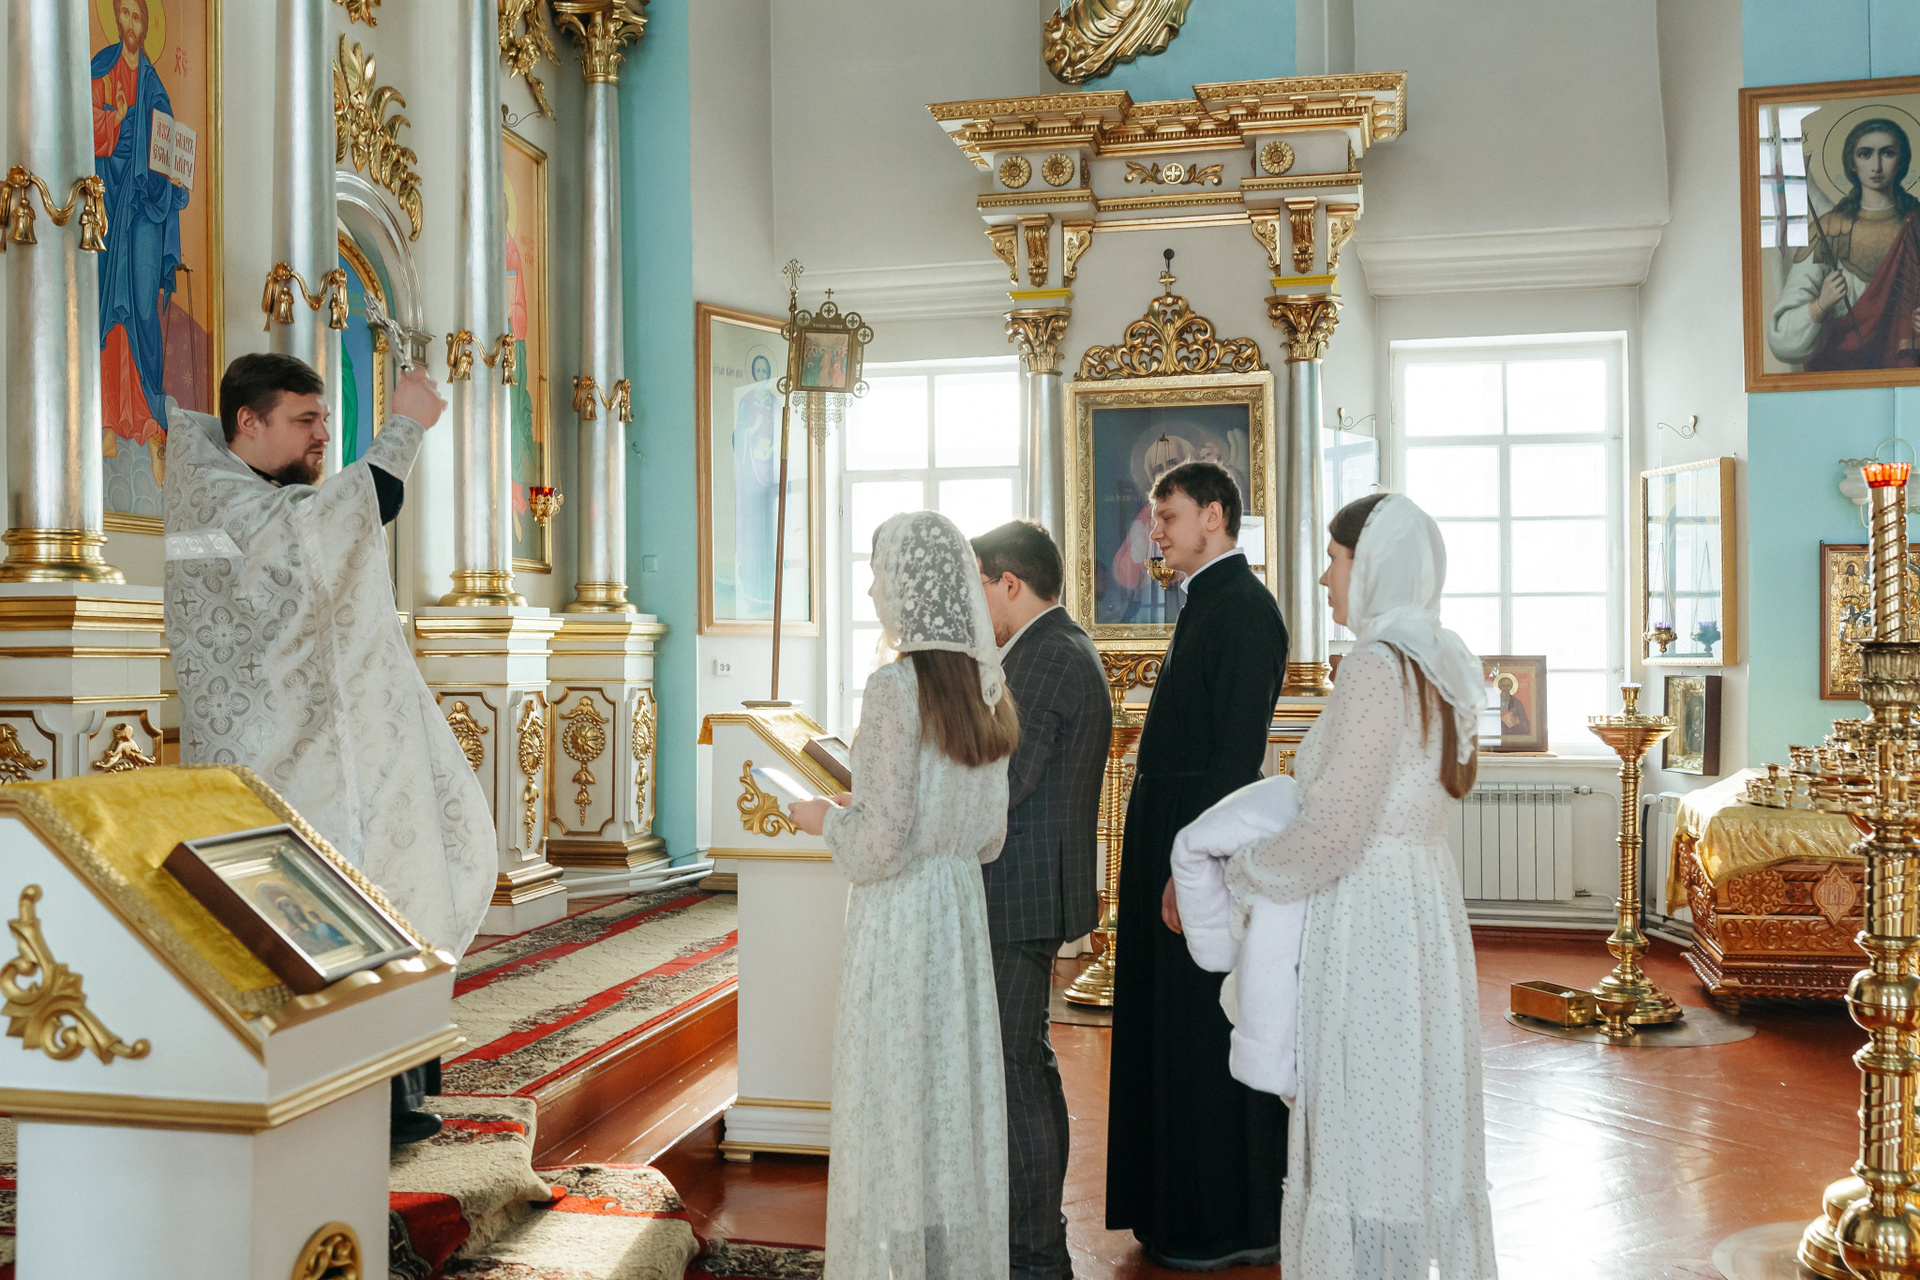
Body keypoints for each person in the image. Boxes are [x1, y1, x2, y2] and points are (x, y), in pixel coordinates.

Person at [164, 352, 496, 1143]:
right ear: (249, 422)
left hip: (323, 745)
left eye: (323, 419)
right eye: (305, 420)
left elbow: (324, 537)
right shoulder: (217, 495)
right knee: (324, 917)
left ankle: (391, 1092)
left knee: (382, 898)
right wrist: (405, 424)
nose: (321, 436)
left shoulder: (253, 492)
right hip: (272, 758)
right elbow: (320, 534)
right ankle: (343, 1100)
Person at [1214, 491, 1497, 1278]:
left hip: (1369, 913)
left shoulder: (1377, 666)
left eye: (1335, 560)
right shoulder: (1440, 659)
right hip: (1423, 905)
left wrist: (1245, 871)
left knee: (1362, 1116)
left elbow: (1336, 829)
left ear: (1371, 565)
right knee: (1406, 1113)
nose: (1325, 578)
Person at [789, 510, 1019, 1280]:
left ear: (912, 588)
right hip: (958, 916)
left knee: (893, 1095)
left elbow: (878, 846)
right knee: (946, 1096)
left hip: (900, 920)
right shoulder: (987, 688)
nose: (872, 590)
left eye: (880, 573)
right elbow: (989, 837)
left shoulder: (894, 688)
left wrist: (824, 819)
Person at [1106, 460, 1289, 1270]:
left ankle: (1227, 1220)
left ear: (1214, 516)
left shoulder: (1244, 608)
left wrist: (1194, 868)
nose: (1156, 530)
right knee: (1171, 1029)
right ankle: (1176, 1207)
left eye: (1168, 515)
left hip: (1196, 844)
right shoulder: (1207, 600)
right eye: (1155, 517)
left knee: (1201, 1029)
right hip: (1176, 834)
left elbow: (1233, 758)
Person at [971, 520, 1112, 1280]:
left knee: (1012, 1070)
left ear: (1010, 583)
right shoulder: (1054, 646)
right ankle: (1036, 1237)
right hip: (1029, 887)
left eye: (979, 587)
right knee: (1028, 1061)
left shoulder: (1047, 655)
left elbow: (1005, 781)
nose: (975, 605)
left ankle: (1032, 1253)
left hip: (1017, 893)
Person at [93, 0, 192, 450]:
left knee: (144, 308)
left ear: (147, 25)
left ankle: (151, 419)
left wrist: (175, 179)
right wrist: (116, 120)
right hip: (109, 208)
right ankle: (110, 420)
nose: (130, 24)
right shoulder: (101, 69)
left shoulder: (154, 86)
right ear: (116, 18)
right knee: (110, 307)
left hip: (147, 209)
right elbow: (84, 129)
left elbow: (168, 150)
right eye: (125, 14)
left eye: (138, 17)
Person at [1768, 117, 1920, 371]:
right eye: (1865, 154)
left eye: (1887, 153)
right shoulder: (1830, 230)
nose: (1877, 165)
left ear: (1901, 160)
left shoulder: (1916, 226)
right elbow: (1781, 338)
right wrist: (1820, 305)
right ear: (1852, 163)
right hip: (1839, 377)